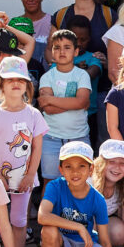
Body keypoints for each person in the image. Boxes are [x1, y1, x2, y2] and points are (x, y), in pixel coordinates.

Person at [40, 142, 119, 247]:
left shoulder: (97, 198)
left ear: (91, 169)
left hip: (85, 245)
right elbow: (42, 216)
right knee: (48, 230)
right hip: (61, 245)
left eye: (81, 166)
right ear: (61, 169)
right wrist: (78, 227)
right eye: (68, 166)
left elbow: (105, 240)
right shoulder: (55, 187)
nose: (75, 172)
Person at [0, 56, 48, 237]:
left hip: (24, 178)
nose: (15, 83)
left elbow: (37, 148)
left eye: (20, 80)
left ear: (27, 85)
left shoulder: (34, 114)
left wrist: (30, 174)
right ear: (1, 84)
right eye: (10, 79)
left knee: (19, 220)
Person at [35, 28, 95, 182]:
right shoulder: (46, 77)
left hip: (79, 137)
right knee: (50, 181)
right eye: (57, 47)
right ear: (52, 52)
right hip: (51, 138)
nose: (62, 51)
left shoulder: (82, 75)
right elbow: (48, 109)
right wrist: (74, 102)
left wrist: (50, 99)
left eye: (67, 47)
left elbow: (82, 101)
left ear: (76, 51)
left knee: (81, 182)